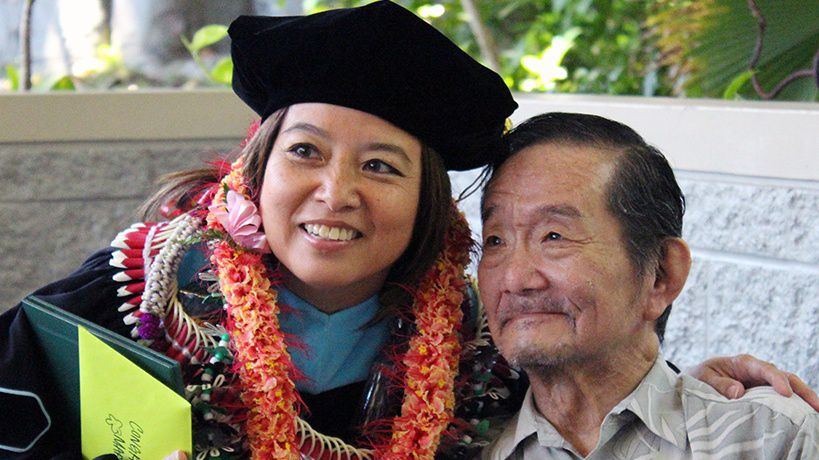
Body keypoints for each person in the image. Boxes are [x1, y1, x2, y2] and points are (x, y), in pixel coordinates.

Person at [0, 3, 810, 460]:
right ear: (257, 168)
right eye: (306, 153)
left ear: (429, 205)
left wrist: (698, 382)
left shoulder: (476, 354)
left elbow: (602, 382)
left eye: (381, 167)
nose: (335, 192)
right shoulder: (126, 303)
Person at [478, 112, 819, 459]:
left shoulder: (768, 439)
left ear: (661, 275)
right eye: (495, 240)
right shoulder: (467, 446)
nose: (514, 278)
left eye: (553, 236)